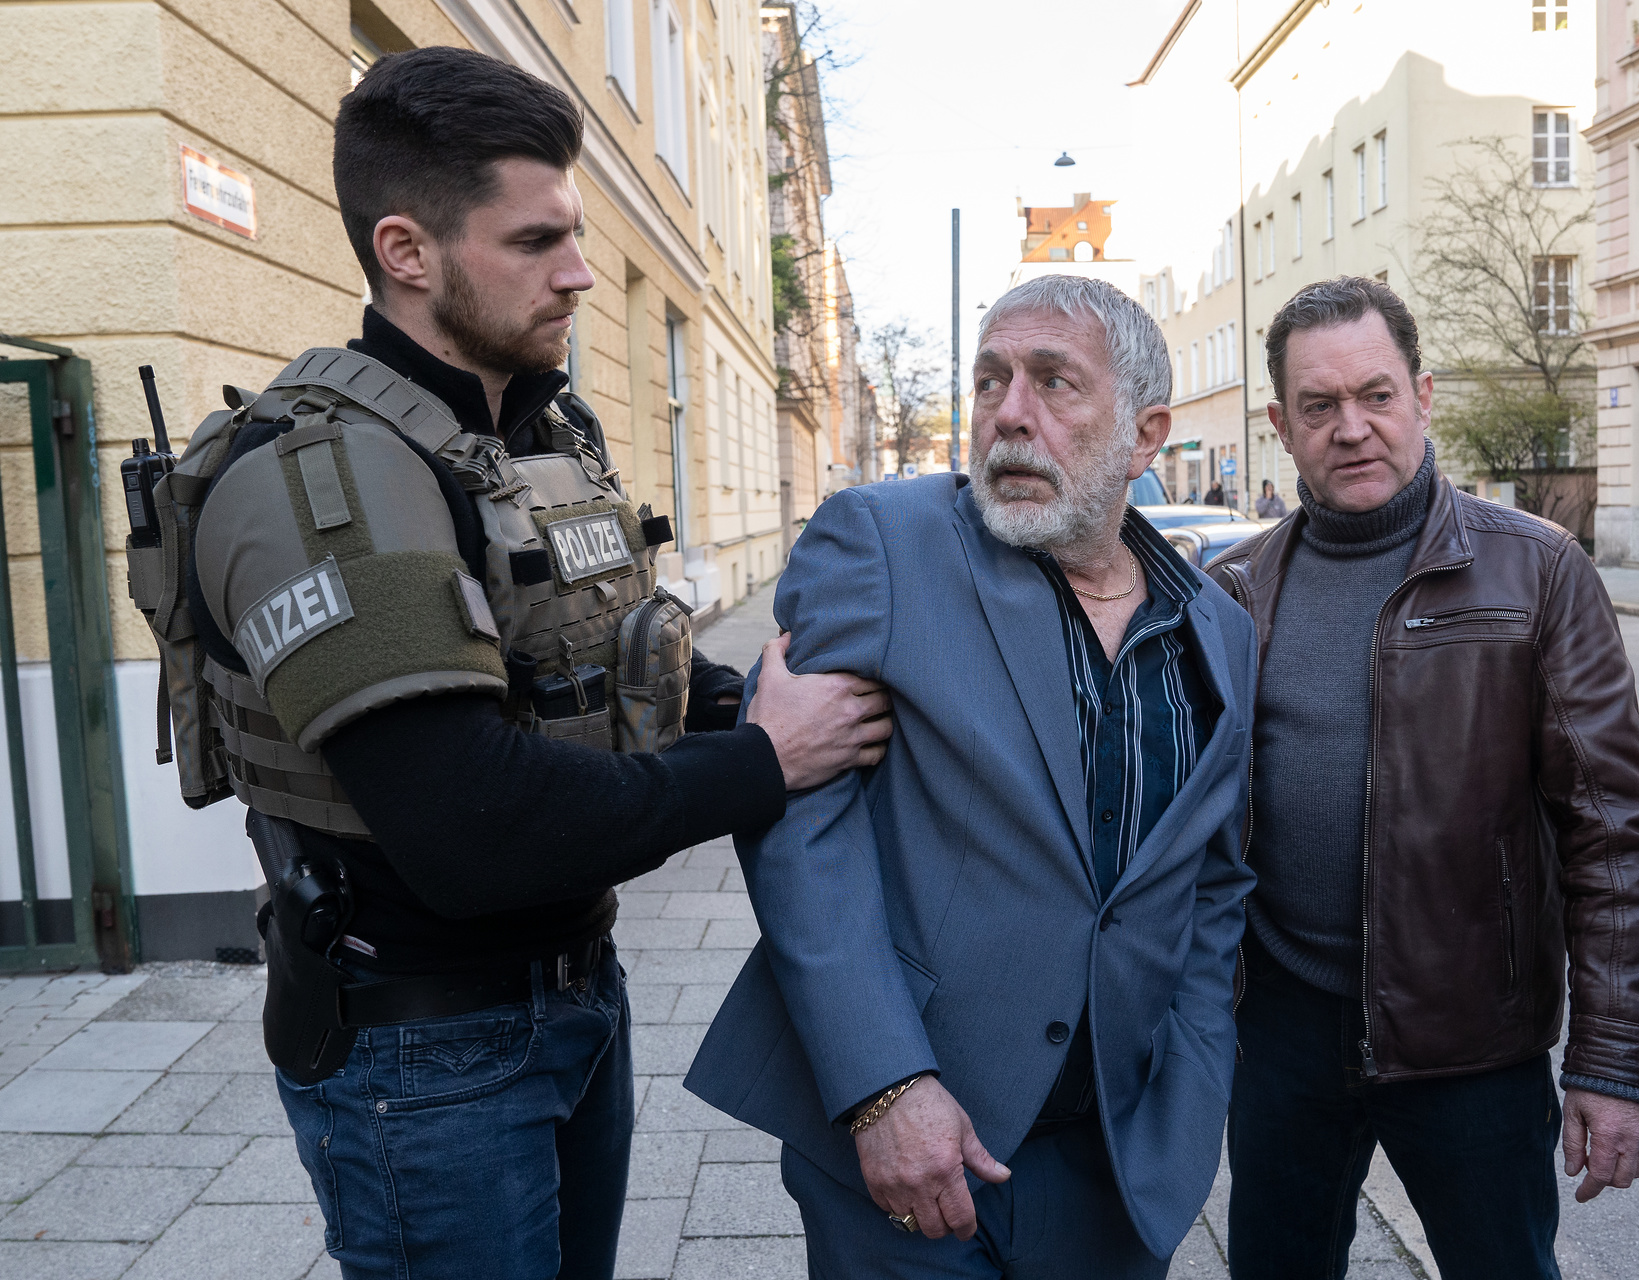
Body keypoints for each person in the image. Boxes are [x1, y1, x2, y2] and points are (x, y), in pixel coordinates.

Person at [183, 47, 890, 1279]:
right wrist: (768, 761)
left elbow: (613, 672)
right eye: (536, 241)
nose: (578, 273)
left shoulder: (533, 432)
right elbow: (474, 826)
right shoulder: (323, 484)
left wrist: (783, 702)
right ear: (408, 252)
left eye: (575, 235)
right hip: (425, 1050)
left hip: (573, 995)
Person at [686, 275, 1258, 1278]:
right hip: (905, 1149)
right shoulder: (882, 543)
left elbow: (1212, 883)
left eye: (1054, 382)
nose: (1008, 413)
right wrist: (883, 1086)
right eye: (991, 379)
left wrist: (1193, 1084)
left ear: (1145, 433)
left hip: (1115, 1160)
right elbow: (801, 823)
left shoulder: (1218, 631)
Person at [1206, 277, 1639, 1279]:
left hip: (1471, 1044)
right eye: (1319, 405)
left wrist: (1616, 1059)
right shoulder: (1233, 591)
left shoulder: (1536, 570)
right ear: (1281, 426)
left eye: (1376, 395)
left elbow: (1616, 835)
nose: (1352, 428)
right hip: (1283, 1039)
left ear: (1422, 395)